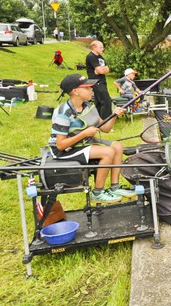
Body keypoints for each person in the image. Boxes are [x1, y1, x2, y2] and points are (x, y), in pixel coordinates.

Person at [48, 73, 136, 203]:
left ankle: (115, 187)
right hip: (65, 150)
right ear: (75, 91)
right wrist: (84, 134)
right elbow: (60, 145)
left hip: (82, 142)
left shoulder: (87, 106)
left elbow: (105, 128)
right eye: (87, 87)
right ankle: (98, 192)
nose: (91, 89)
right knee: (108, 152)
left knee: (117, 146)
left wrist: (114, 115)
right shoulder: (64, 113)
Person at [85, 40, 113, 119]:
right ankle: (106, 121)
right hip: (96, 82)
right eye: (101, 47)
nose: (102, 49)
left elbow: (108, 69)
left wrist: (102, 70)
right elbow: (100, 71)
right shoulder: (91, 56)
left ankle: (98, 120)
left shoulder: (100, 57)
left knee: (98, 102)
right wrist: (101, 70)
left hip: (102, 81)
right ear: (94, 47)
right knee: (106, 101)